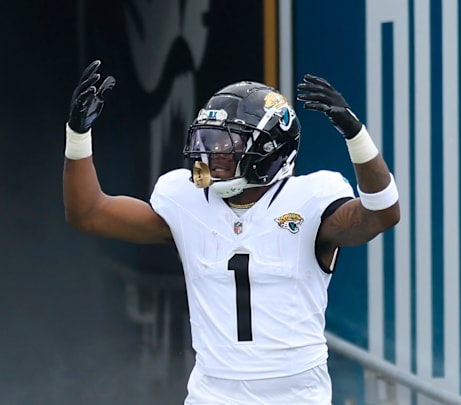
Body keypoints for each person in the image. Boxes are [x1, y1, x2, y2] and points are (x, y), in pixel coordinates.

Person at [63, 60, 400, 404]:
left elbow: (382, 213)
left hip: (295, 395)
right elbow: (88, 214)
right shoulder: (186, 201)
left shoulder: (310, 199)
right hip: (213, 393)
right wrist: (77, 134)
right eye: (208, 139)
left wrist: (356, 136)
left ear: (270, 149)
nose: (212, 153)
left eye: (228, 143)